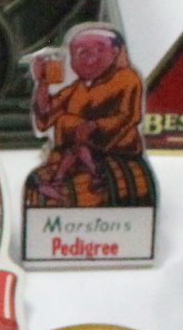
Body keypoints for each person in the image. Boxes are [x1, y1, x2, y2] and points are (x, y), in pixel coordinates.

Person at [25, 23, 154, 208]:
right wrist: (43, 83)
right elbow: (46, 115)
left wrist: (95, 126)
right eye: (82, 52)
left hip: (115, 148)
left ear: (115, 51)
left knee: (76, 135)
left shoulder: (127, 78)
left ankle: (94, 175)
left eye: (99, 50)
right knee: (70, 134)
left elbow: (129, 116)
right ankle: (59, 182)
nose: (90, 57)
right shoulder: (77, 87)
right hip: (73, 149)